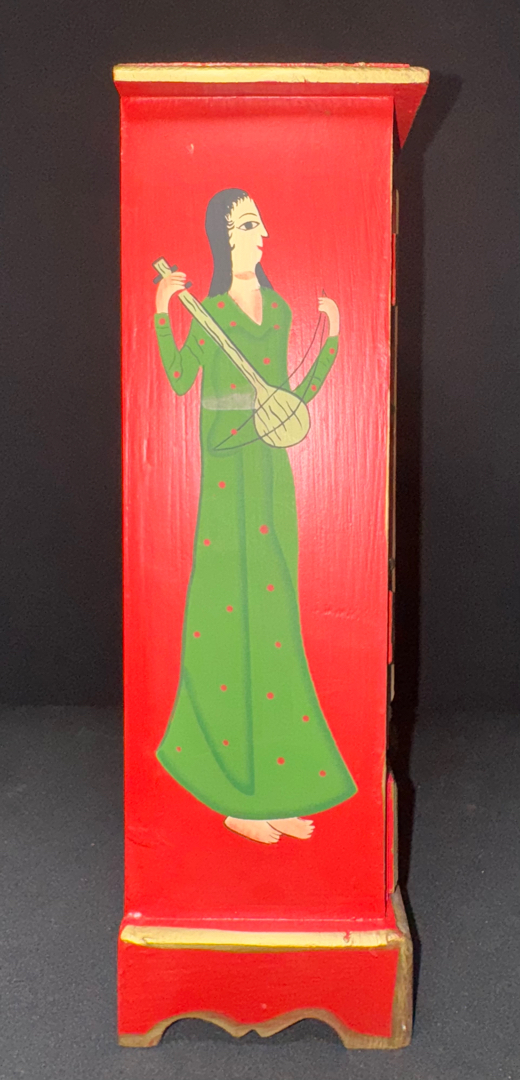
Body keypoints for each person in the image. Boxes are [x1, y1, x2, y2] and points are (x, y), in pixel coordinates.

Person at [153, 187, 357, 845]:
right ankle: (234, 797)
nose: (261, 233)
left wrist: (332, 339)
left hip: (271, 476)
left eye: (260, 222)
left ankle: (271, 790)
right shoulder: (209, 312)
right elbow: (179, 380)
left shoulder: (280, 310)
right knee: (226, 621)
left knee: (274, 623)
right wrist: (163, 312)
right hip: (226, 475)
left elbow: (290, 398)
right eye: (247, 224)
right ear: (224, 237)